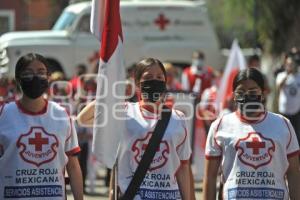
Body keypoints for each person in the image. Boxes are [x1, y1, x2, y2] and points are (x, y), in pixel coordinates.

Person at [77, 58, 194, 199]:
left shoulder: (179, 118)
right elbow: (83, 119)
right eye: (148, 77)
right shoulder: (124, 111)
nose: (154, 81)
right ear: (137, 83)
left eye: (159, 77)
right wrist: (112, 96)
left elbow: (183, 167)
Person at [203, 68, 300, 200]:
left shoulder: (283, 124)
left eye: (253, 91)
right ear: (233, 95)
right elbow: (210, 176)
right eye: (241, 92)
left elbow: (294, 173)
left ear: (263, 92)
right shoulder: (219, 126)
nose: (247, 96)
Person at [0, 53, 83, 200]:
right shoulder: (4, 114)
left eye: (41, 73)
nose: (35, 78)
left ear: (48, 77)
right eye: (28, 73)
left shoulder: (62, 115)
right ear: (18, 79)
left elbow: (73, 166)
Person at [276, 55, 300, 144]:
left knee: (296, 134)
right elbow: (279, 86)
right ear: (285, 65)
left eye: (292, 64)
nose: (291, 66)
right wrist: (287, 75)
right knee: (284, 132)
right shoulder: (281, 75)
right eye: (289, 64)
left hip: (296, 111)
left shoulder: (299, 76)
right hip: (284, 110)